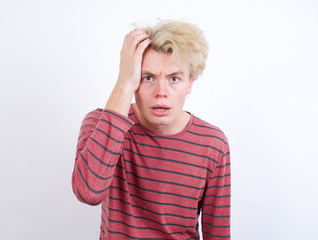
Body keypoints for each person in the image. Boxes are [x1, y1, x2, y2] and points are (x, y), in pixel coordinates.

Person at [71, 20, 231, 239]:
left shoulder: (213, 143)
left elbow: (218, 234)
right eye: (148, 78)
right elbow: (88, 192)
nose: (161, 92)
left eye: (174, 78)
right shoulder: (101, 123)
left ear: (190, 82)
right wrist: (124, 83)